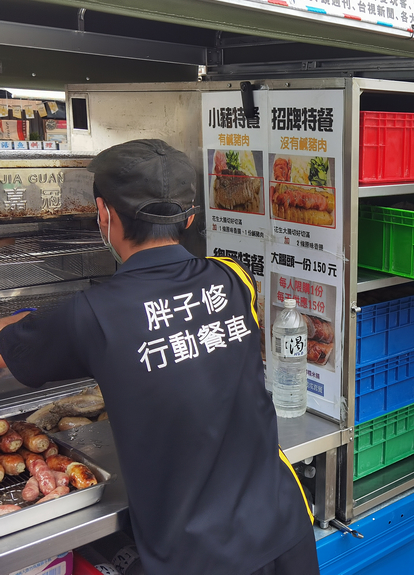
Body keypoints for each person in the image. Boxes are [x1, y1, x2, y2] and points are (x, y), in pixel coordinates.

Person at [0, 139, 319, 575]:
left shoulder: (91, 314)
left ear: (104, 214)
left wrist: (32, 319)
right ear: (189, 218)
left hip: (198, 557)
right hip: (284, 525)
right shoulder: (234, 278)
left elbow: (11, 348)